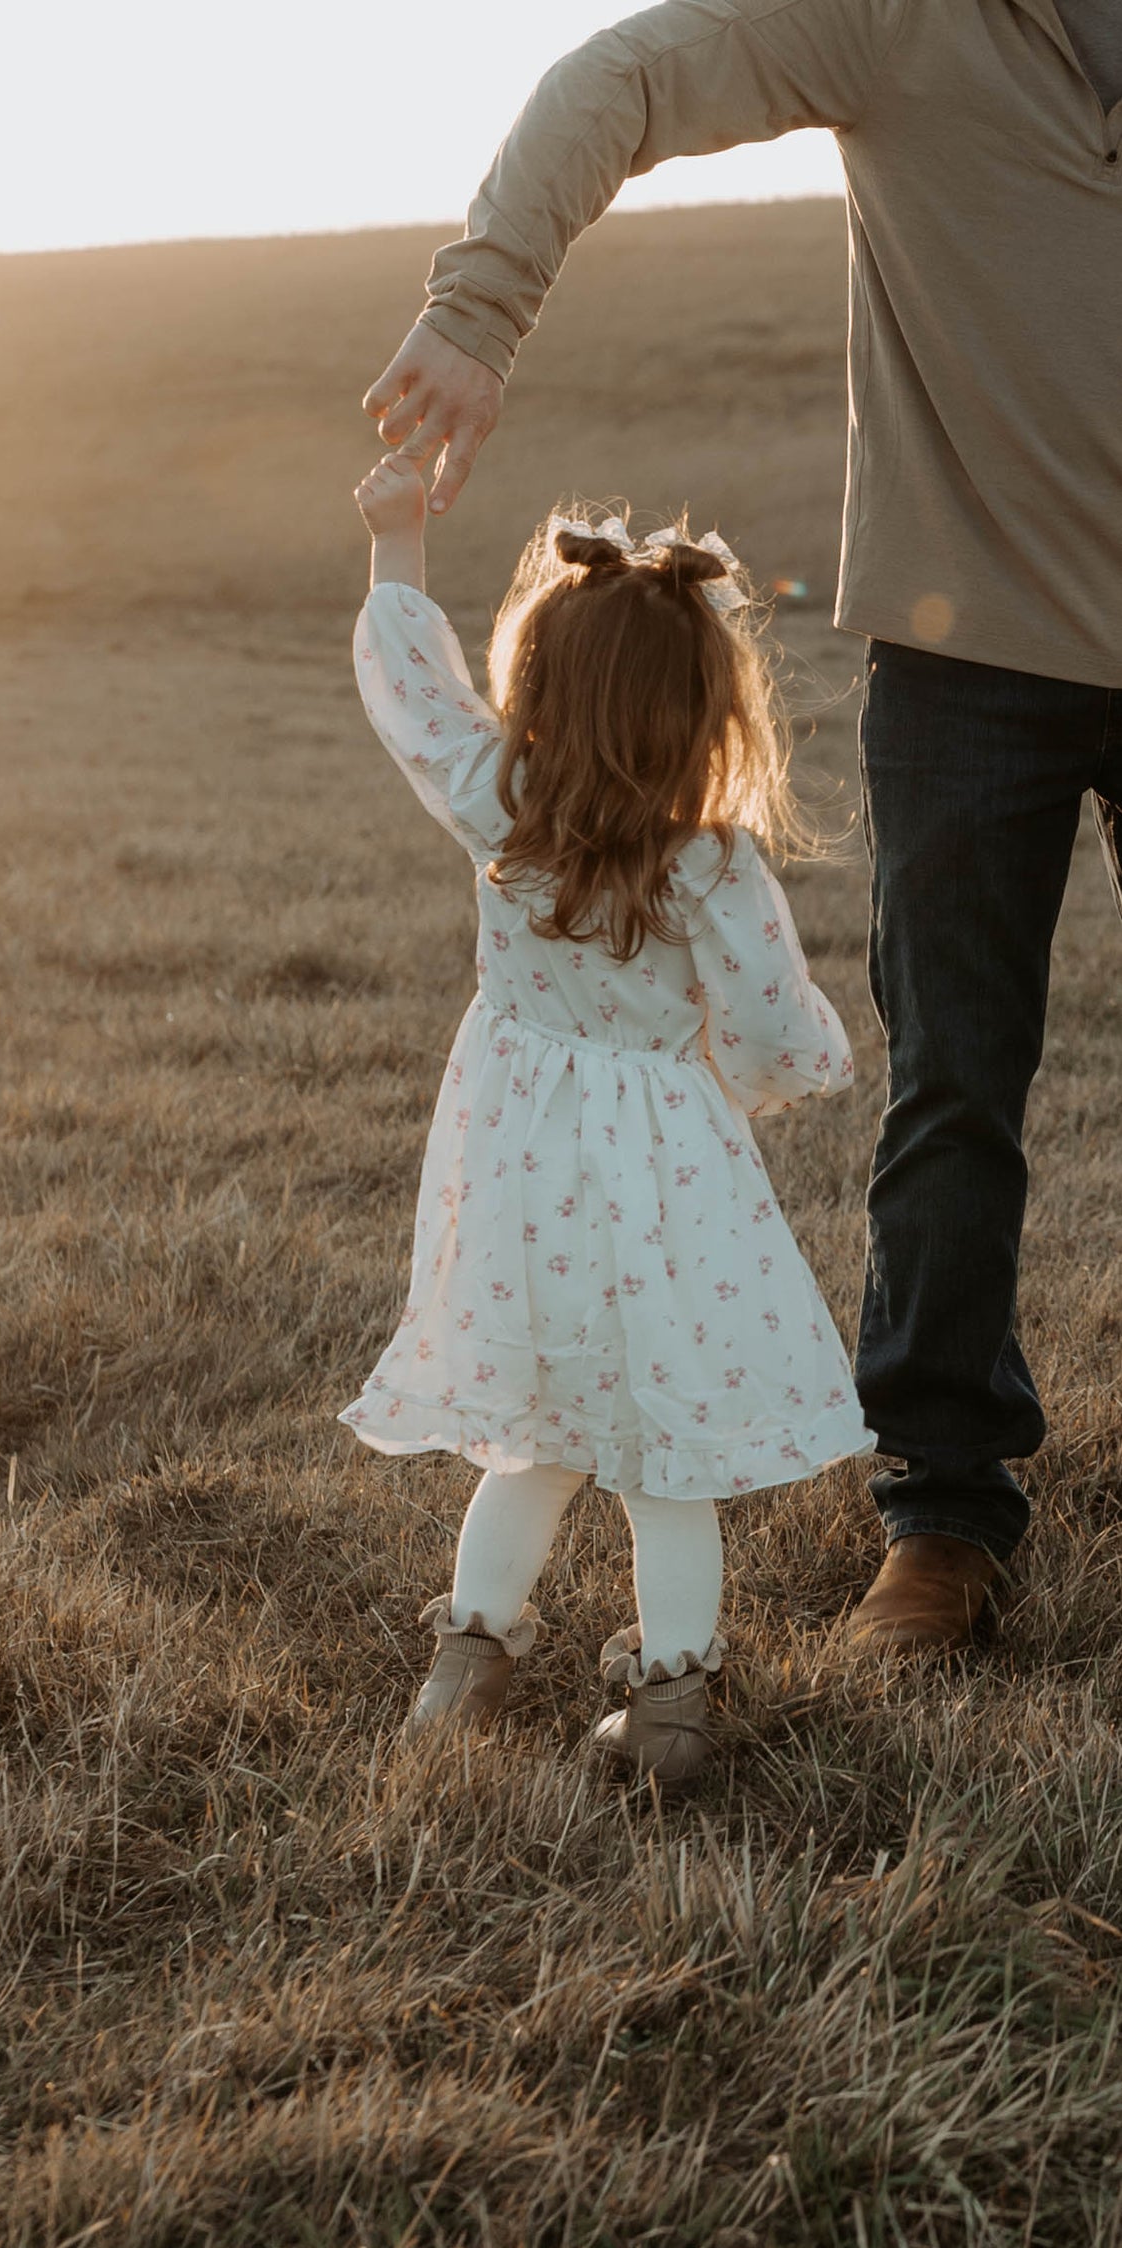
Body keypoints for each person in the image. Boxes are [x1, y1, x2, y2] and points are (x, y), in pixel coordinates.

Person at [361, 0, 1122, 1657]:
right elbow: (618, 75)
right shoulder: (904, 22)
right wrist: (478, 314)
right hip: (972, 649)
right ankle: (941, 1516)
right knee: (952, 1091)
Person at [340, 452, 873, 1784]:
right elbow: (767, 1022)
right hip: (666, 1181)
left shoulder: (497, 807)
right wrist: (775, 1076)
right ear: (705, 713)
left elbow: (412, 696)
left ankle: (462, 1666)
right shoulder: (712, 864)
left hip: (517, 1168)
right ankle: (674, 1712)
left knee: (534, 1434)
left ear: (535, 686)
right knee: (660, 1454)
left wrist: (395, 540)